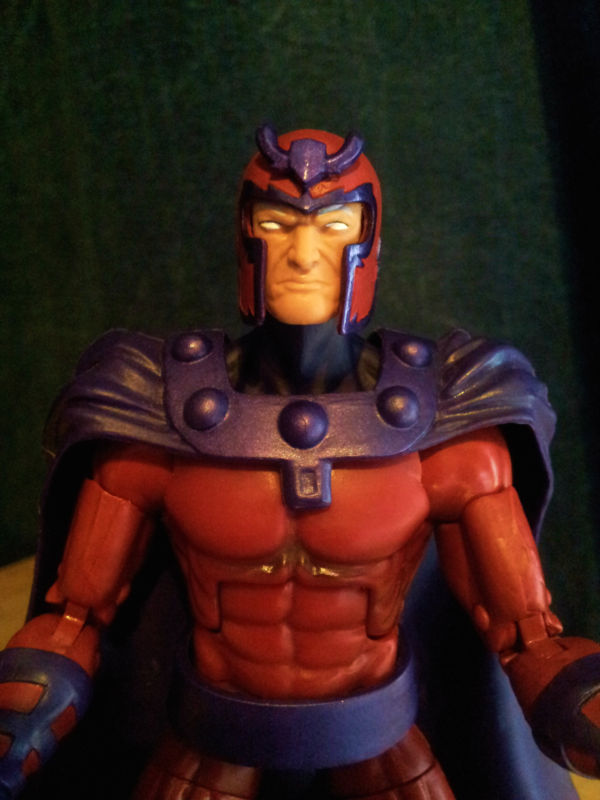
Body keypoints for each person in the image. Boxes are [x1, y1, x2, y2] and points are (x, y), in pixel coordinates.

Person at [1, 125, 599, 800]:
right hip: (213, 736)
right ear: (245, 235)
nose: (304, 254)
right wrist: (21, 719)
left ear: (369, 243)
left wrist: (574, 703)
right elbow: (76, 619)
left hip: (380, 741)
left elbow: (525, 635)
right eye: (277, 223)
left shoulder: (448, 432)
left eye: (335, 225)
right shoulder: (155, 422)